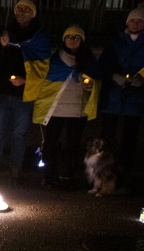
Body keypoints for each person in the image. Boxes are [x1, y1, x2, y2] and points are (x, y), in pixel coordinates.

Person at [25, 26, 99, 187]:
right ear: (64, 40)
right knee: (50, 143)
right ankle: (48, 176)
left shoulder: (88, 59)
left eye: (76, 37)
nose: (72, 41)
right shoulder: (54, 59)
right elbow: (43, 80)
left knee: (72, 145)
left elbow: (97, 80)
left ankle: (67, 176)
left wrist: (89, 85)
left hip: (78, 110)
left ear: (82, 40)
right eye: (69, 37)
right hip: (56, 109)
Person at [0, 0, 43, 184]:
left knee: (19, 133)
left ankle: (15, 169)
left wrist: (26, 80)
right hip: (2, 91)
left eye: (26, 10)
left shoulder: (39, 36)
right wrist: (2, 46)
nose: (22, 13)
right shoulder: (7, 31)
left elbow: (42, 65)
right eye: (19, 9)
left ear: (33, 13)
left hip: (23, 93)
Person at [97, 6, 144, 175]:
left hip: (136, 100)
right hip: (113, 97)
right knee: (107, 137)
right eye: (133, 20)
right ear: (127, 22)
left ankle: (124, 176)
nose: (136, 24)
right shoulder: (115, 43)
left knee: (129, 139)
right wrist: (114, 76)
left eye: (140, 21)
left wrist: (141, 81)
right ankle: (103, 174)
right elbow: (103, 65)